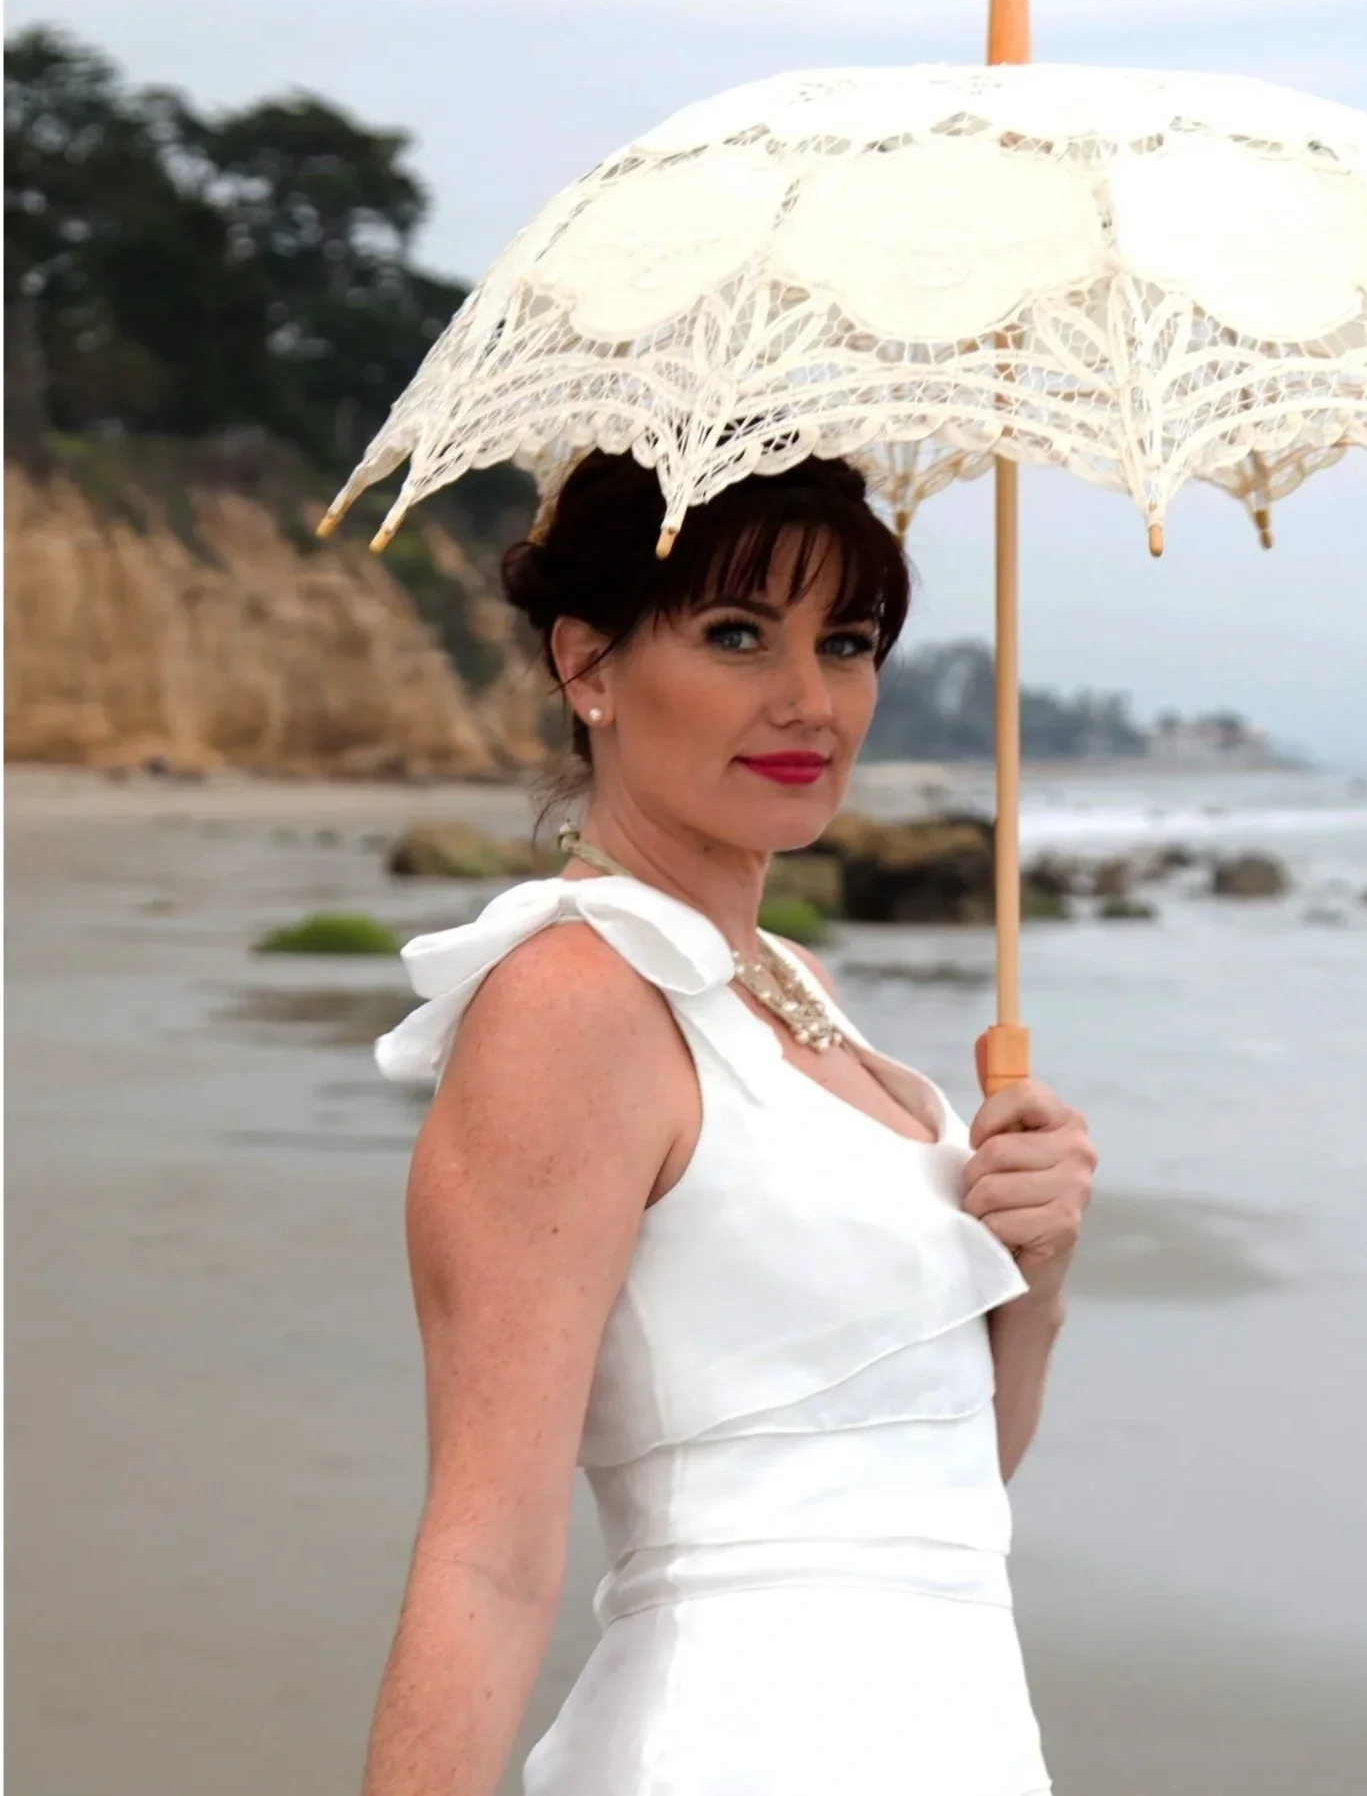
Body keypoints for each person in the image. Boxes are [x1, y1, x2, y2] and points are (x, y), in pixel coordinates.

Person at [359, 450, 1096, 1796]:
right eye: (737, 633)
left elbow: (935, 1487)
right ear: (588, 666)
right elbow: (487, 1551)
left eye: (850, 641)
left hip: (956, 1739)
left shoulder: (803, 994)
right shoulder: (570, 1004)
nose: (810, 700)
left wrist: (1032, 1282)